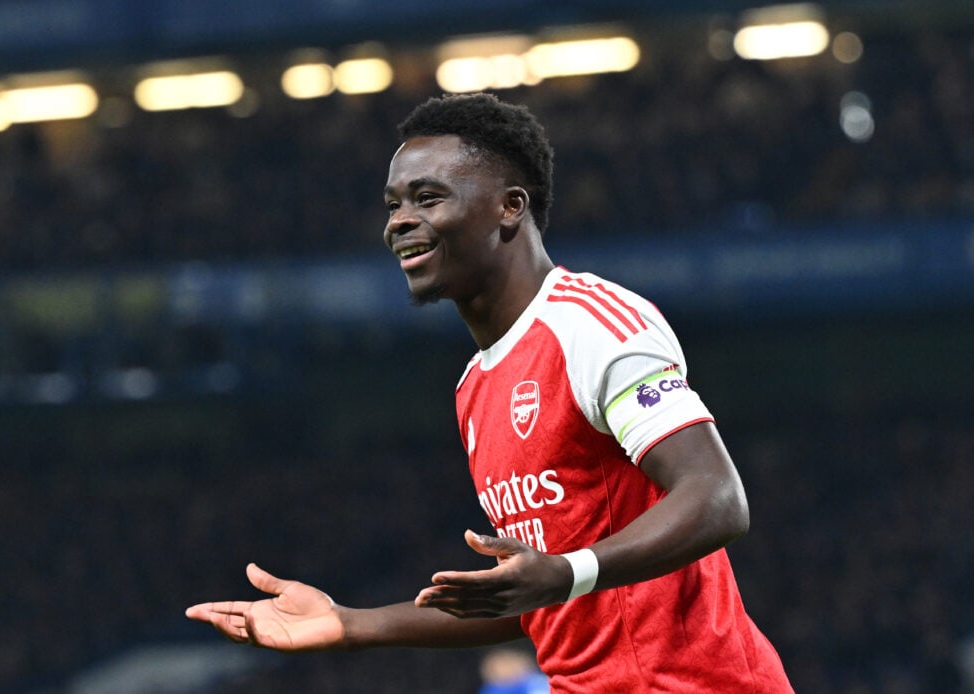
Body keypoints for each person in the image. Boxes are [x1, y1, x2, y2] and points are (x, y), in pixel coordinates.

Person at [186, 93, 794, 691]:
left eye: (427, 197)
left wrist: (564, 572)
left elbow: (717, 497)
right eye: (393, 204)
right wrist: (349, 623)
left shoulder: (591, 324)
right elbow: (538, 602)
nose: (399, 220)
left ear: (509, 207)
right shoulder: (474, 389)